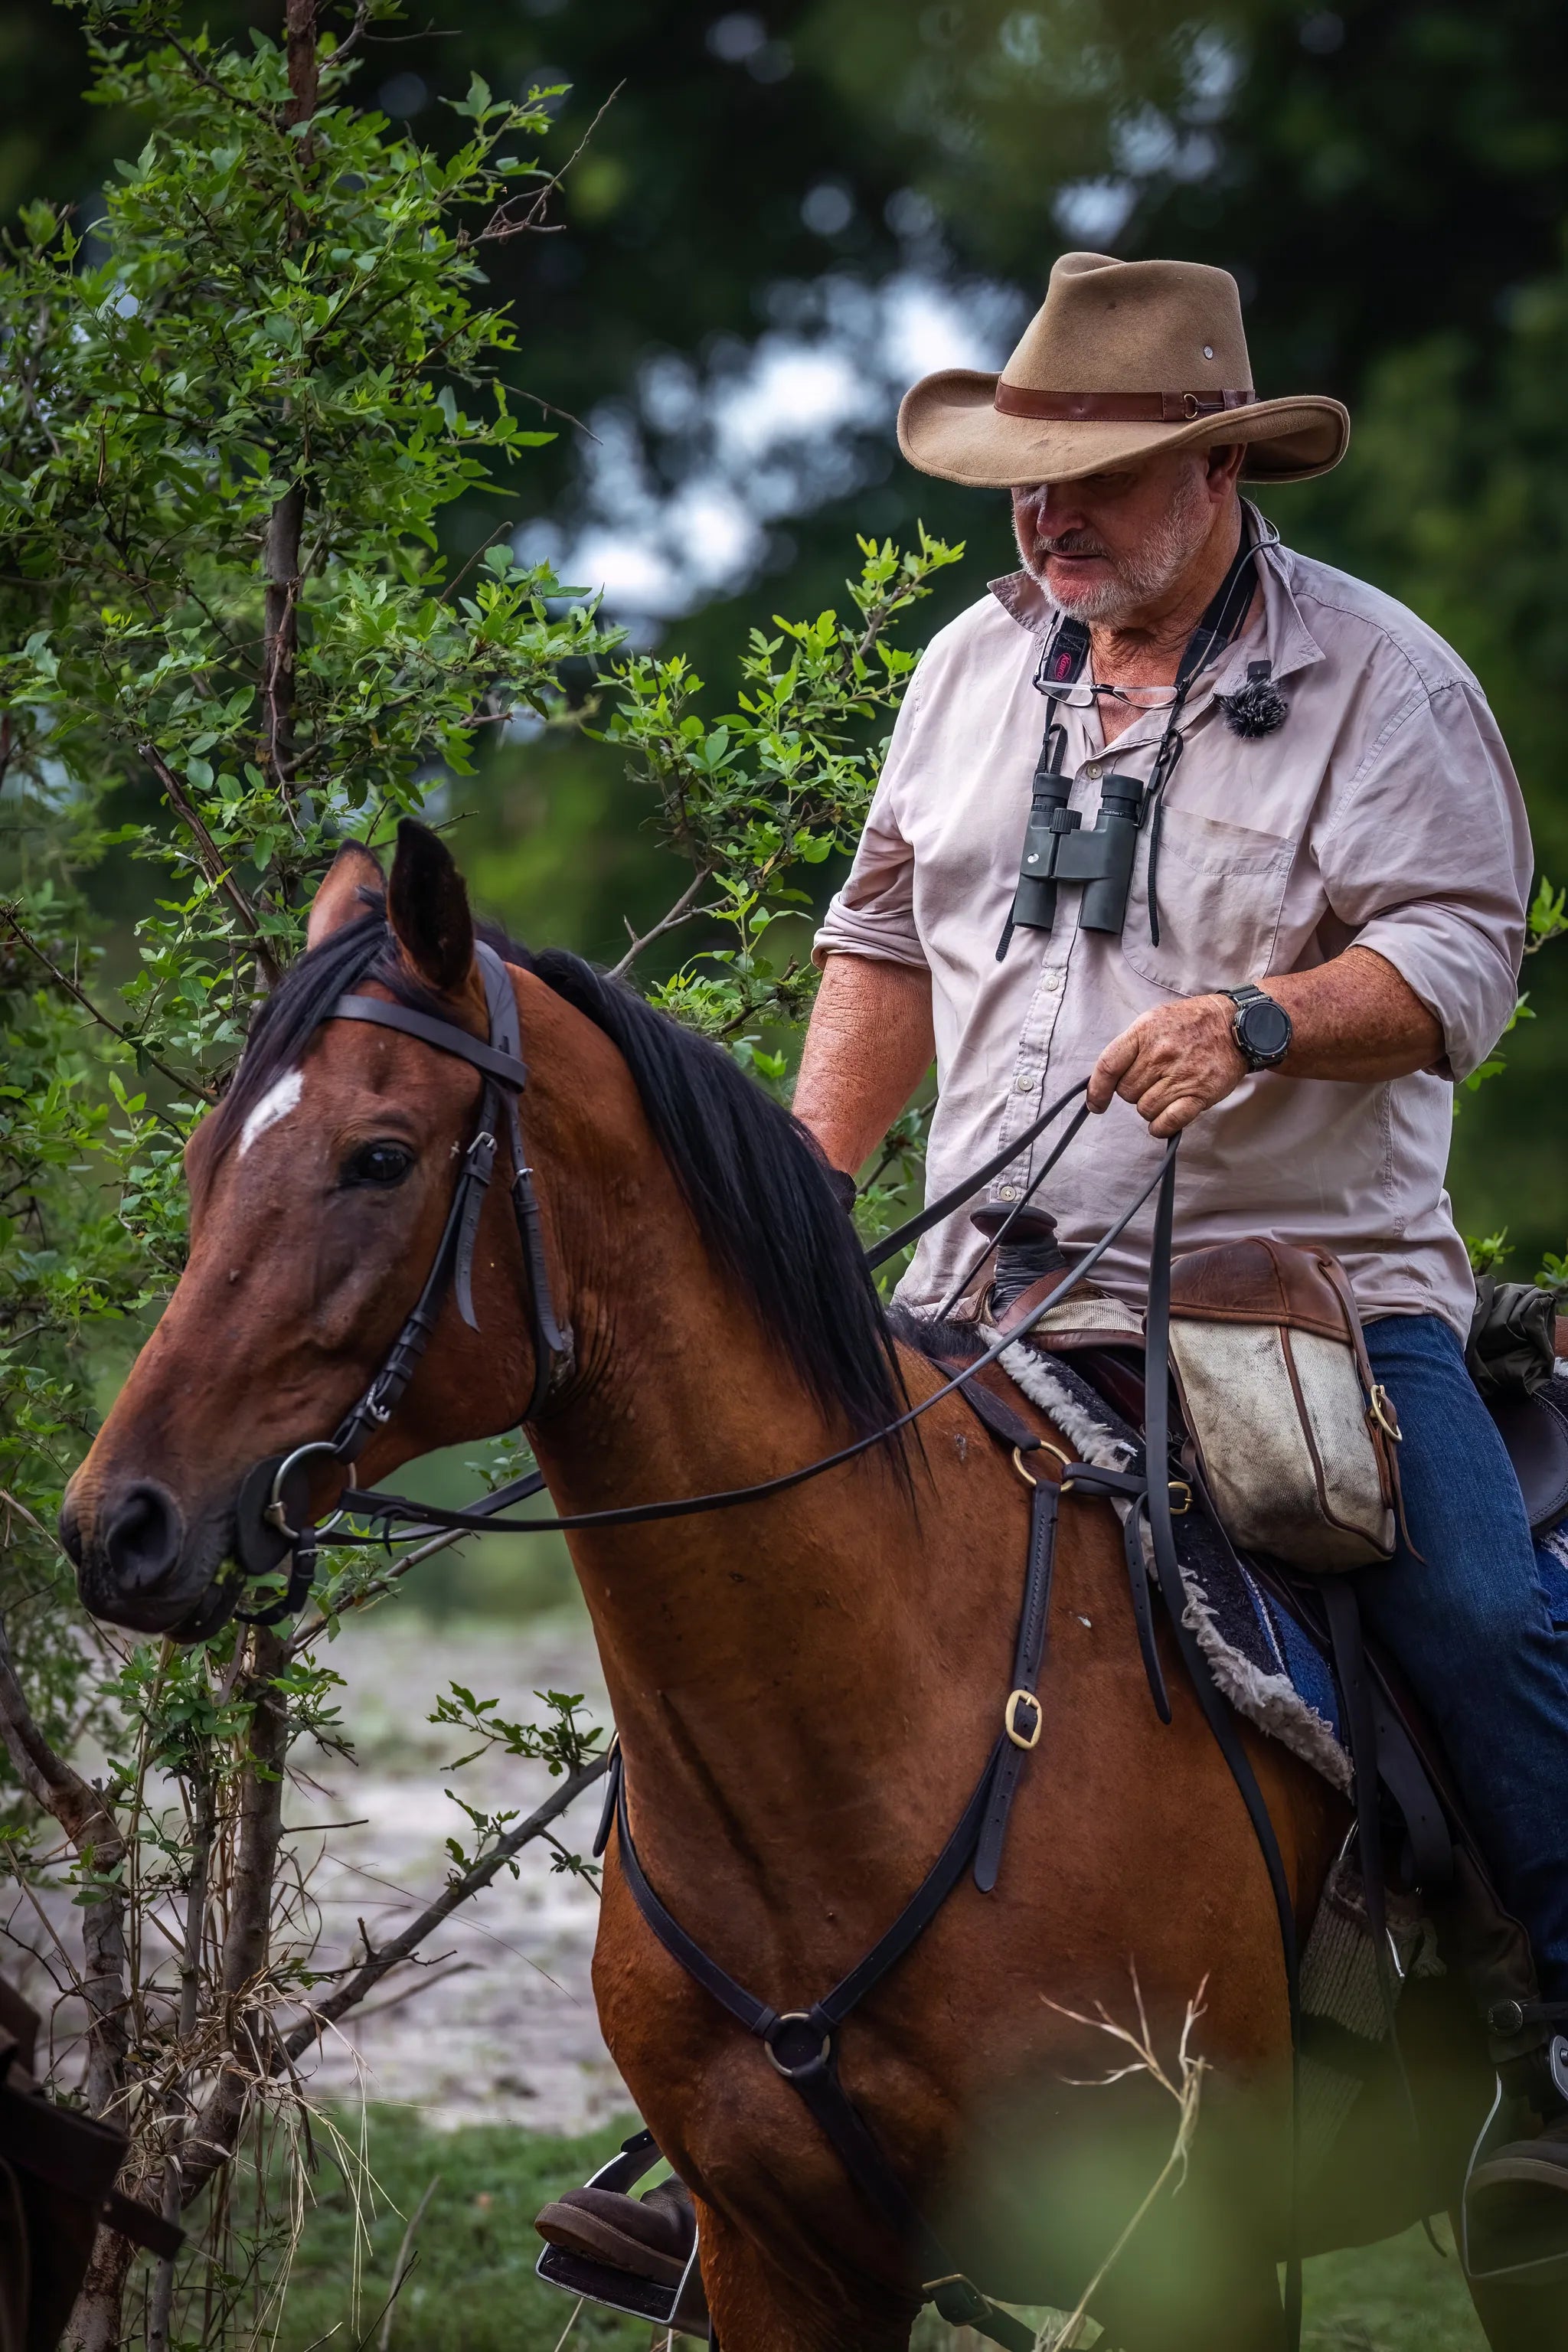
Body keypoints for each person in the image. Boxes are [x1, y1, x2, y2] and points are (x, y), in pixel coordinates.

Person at [536, 252, 1568, 2292]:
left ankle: (1554, 2051)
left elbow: (1462, 948)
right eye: (1024, 481)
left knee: (1480, 1609)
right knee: (773, 1631)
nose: (1046, 517)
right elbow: (884, 938)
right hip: (988, 1303)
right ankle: (756, 2123)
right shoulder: (968, 671)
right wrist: (807, 1187)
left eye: (1095, 479)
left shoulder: (1384, 675)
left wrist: (1265, 1023)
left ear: (1217, 471)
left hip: (1314, 1307)